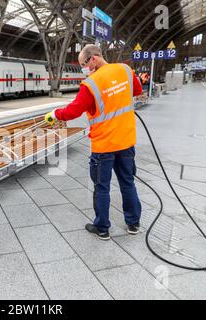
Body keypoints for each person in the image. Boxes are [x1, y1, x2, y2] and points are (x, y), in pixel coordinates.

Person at [44, 44, 143, 241]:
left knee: (102, 187)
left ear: (94, 58)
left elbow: (73, 110)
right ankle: (133, 223)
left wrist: (55, 114)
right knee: (127, 182)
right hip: (126, 141)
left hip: (104, 145)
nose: (84, 68)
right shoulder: (125, 70)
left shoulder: (91, 84)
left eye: (84, 64)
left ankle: (102, 228)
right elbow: (137, 90)